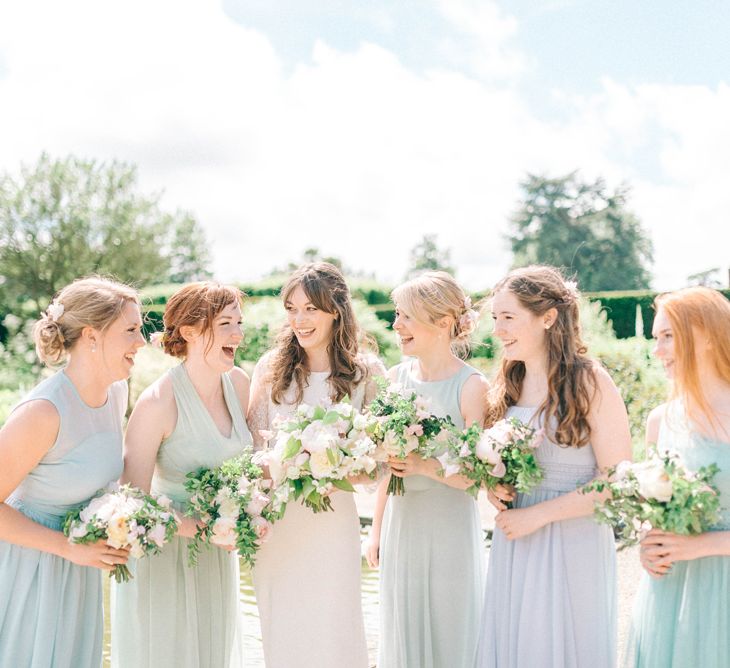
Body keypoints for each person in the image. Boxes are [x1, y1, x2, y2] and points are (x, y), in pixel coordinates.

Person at [476, 265, 632, 668]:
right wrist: (494, 486)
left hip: (572, 539)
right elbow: (496, 465)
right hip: (517, 538)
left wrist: (539, 516)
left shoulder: (590, 381)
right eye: (495, 318)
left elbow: (618, 478)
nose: (497, 330)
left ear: (547, 317)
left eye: (508, 317)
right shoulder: (508, 383)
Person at [0, 276, 143, 667]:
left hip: (79, 571)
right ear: (91, 336)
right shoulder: (43, 412)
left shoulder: (116, 394)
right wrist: (66, 547)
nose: (142, 342)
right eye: (131, 330)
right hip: (28, 571)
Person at [248, 262, 385, 668]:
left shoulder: (366, 372)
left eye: (311, 309)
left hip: (332, 523)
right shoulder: (270, 368)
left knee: (335, 628)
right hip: (279, 522)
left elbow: (379, 463)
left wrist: (332, 468)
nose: (299, 319)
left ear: (336, 311)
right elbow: (253, 448)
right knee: (283, 630)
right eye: (292, 308)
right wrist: (285, 466)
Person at [112, 282, 252, 668]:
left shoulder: (240, 385)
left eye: (239, 322)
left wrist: (250, 514)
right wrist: (202, 527)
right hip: (166, 558)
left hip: (218, 557)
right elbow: (131, 505)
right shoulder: (158, 402)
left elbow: (254, 468)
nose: (238, 334)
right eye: (225, 323)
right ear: (190, 331)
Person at [367, 271, 488, 668]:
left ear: (441, 322)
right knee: (401, 627)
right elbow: (388, 467)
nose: (395, 325)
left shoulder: (472, 386)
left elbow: (475, 475)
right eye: (396, 315)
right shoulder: (395, 378)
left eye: (405, 316)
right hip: (403, 522)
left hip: (449, 523)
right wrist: (376, 530)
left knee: (450, 626)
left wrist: (424, 465)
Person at [625, 287, 730, 667]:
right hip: (670, 598)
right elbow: (649, 509)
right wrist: (647, 543)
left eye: (668, 337)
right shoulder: (660, 420)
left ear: (705, 335)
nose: (658, 352)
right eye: (656, 339)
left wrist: (700, 545)